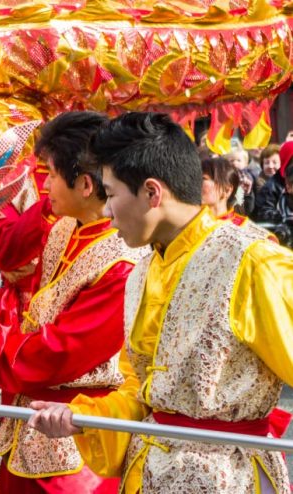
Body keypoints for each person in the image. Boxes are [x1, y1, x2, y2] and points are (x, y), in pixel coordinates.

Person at [28, 112, 293, 493]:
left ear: (152, 192)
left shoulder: (251, 262)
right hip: (148, 475)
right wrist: (82, 416)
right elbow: (140, 393)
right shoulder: (143, 271)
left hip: (227, 479)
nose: (105, 210)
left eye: (112, 194)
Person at [0, 111, 143, 493]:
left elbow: (60, 351)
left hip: (78, 437)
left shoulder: (121, 262)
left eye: (51, 174)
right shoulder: (64, 229)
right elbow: (38, 323)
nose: (45, 185)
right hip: (32, 419)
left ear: (86, 184)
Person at [200, 157, 276, 241]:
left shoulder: (250, 234)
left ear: (227, 190)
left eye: (203, 179)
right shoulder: (188, 225)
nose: (195, 183)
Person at [254, 140, 293, 224]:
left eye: (274, 162)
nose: (271, 166)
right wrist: (285, 217)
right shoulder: (271, 187)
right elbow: (263, 213)